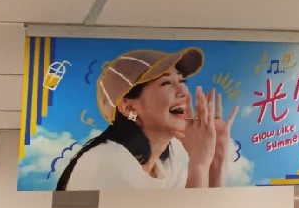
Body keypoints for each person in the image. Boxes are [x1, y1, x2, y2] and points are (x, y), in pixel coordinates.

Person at [56, 48, 237, 190]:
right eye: (166, 83)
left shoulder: (166, 166)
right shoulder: (107, 163)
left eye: (182, 81)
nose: (183, 92)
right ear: (129, 107)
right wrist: (199, 162)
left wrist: (217, 157)